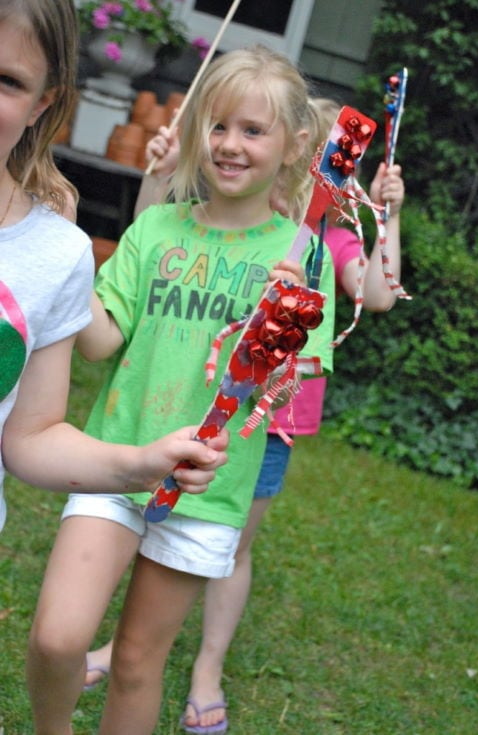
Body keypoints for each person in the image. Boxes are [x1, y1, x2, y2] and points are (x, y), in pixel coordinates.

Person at [26, 45, 335, 735]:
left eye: (253, 130)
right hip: (112, 462)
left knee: (136, 661)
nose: (229, 144)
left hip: (205, 491)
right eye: (217, 125)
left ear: (293, 146)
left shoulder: (301, 262)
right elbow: (101, 339)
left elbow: (283, 397)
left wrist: (278, 330)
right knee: (57, 637)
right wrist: (65, 252)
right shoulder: (157, 229)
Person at [84, 97, 406, 732]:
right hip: (178, 409)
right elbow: (146, 261)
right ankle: (127, 646)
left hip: (265, 426)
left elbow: (379, 294)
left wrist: (388, 213)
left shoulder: (321, 237)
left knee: (226, 547)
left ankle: (206, 666)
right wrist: (159, 174)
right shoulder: (227, 215)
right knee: (143, 521)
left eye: (323, 156)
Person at [0, 0, 226, 549]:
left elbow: (29, 437)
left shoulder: (57, 253)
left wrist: (139, 463)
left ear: (41, 104)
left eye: (7, 81)